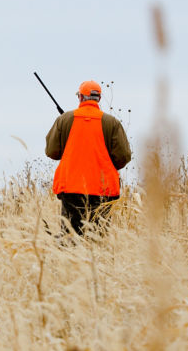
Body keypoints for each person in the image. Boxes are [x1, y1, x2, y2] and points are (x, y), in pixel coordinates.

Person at [45, 80, 131, 236]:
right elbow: (123, 157)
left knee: (70, 236)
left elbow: (52, 151)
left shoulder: (65, 120)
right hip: (103, 190)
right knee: (98, 237)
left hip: (71, 188)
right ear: (98, 98)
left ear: (80, 97)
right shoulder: (112, 123)